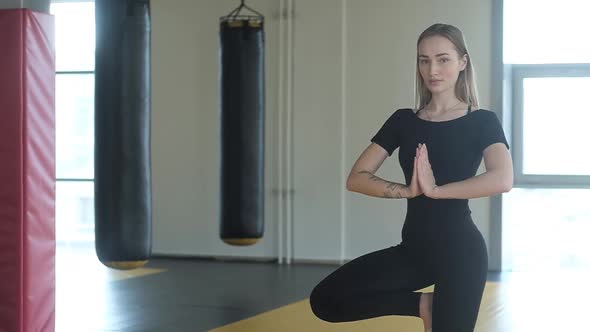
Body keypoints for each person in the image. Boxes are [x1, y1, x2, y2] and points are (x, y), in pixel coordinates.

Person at [308, 23, 513, 332]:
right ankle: (423, 305)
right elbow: (357, 177)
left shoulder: (482, 121)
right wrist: (408, 190)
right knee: (325, 300)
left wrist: (436, 190)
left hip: (462, 254)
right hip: (414, 251)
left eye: (443, 59)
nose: (432, 69)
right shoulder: (403, 120)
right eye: (423, 59)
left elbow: (502, 178)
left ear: (462, 62)